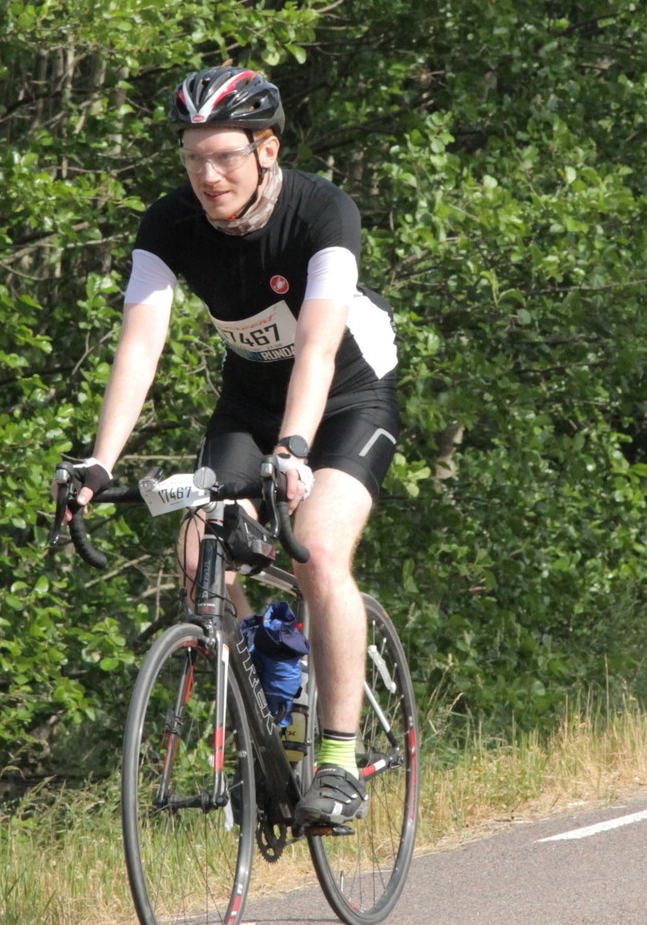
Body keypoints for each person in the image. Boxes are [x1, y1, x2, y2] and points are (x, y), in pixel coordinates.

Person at [58, 66, 400, 831]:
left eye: (224, 157)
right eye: (193, 158)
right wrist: (100, 461)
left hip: (347, 392)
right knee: (197, 552)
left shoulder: (322, 210)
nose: (208, 175)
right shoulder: (171, 223)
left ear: (266, 148)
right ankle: (268, 687)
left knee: (316, 549)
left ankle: (338, 761)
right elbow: (141, 343)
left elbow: (317, 348)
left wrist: (296, 450)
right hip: (250, 401)